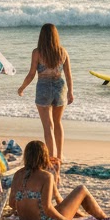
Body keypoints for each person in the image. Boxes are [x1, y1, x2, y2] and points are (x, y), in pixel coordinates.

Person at [7, 139, 110, 220]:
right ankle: (104, 218)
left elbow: (11, 203)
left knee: (59, 206)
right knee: (81, 189)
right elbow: (47, 207)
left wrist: (28, 205)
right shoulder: (46, 176)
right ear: (44, 156)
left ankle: (82, 215)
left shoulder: (18, 174)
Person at [17, 23, 73, 162]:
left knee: (48, 127)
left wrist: (22, 87)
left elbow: (31, 74)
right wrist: (70, 92)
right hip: (60, 87)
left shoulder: (37, 52)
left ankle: (51, 158)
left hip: (43, 88)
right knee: (58, 123)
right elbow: (68, 74)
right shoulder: (63, 52)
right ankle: (59, 156)